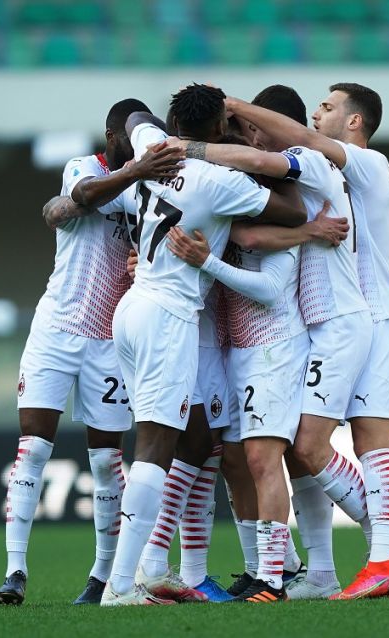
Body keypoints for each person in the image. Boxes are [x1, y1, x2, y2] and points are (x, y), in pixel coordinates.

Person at [226, 82, 389, 598]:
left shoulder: (368, 163)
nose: (318, 113)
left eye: (329, 106)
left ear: (355, 122)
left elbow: (294, 138)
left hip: (378, 320)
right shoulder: (337, 175)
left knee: (350, 443)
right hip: (368, 319)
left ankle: (384, 555)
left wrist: (232, 107)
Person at [166, 85, 377, 600]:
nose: (246, 142)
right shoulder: (257, 201)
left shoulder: (296, 190)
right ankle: (288, 568)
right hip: (240, 347)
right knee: (255, 460)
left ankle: (374, 541)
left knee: (278, 456)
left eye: (252, 131)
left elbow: (266, 279)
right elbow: (238, 235)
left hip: (279, 342)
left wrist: (209, 259)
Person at [100, 83, 306, 606]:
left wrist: (152, 144)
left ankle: (139, 574)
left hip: (132, 306)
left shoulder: (152, 144)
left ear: (172, 121)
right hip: (169, 315)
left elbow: (132, 115)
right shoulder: (216, 181)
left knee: (163, 442)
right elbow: (291, 211)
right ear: (217, 128)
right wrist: (238, 154)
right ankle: (125, 584)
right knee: (156, 446)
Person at [0, 98, 184, 606]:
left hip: (109, 338)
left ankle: (101, 577)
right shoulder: (84, 166)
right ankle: (15, 570)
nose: (144, 143)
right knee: (32, 448)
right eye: (135, 134)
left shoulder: (145, 183)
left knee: (105, 460)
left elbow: (75, 208)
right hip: (56, 327)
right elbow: (74, 197)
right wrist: (136, 173)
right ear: (112, 134)